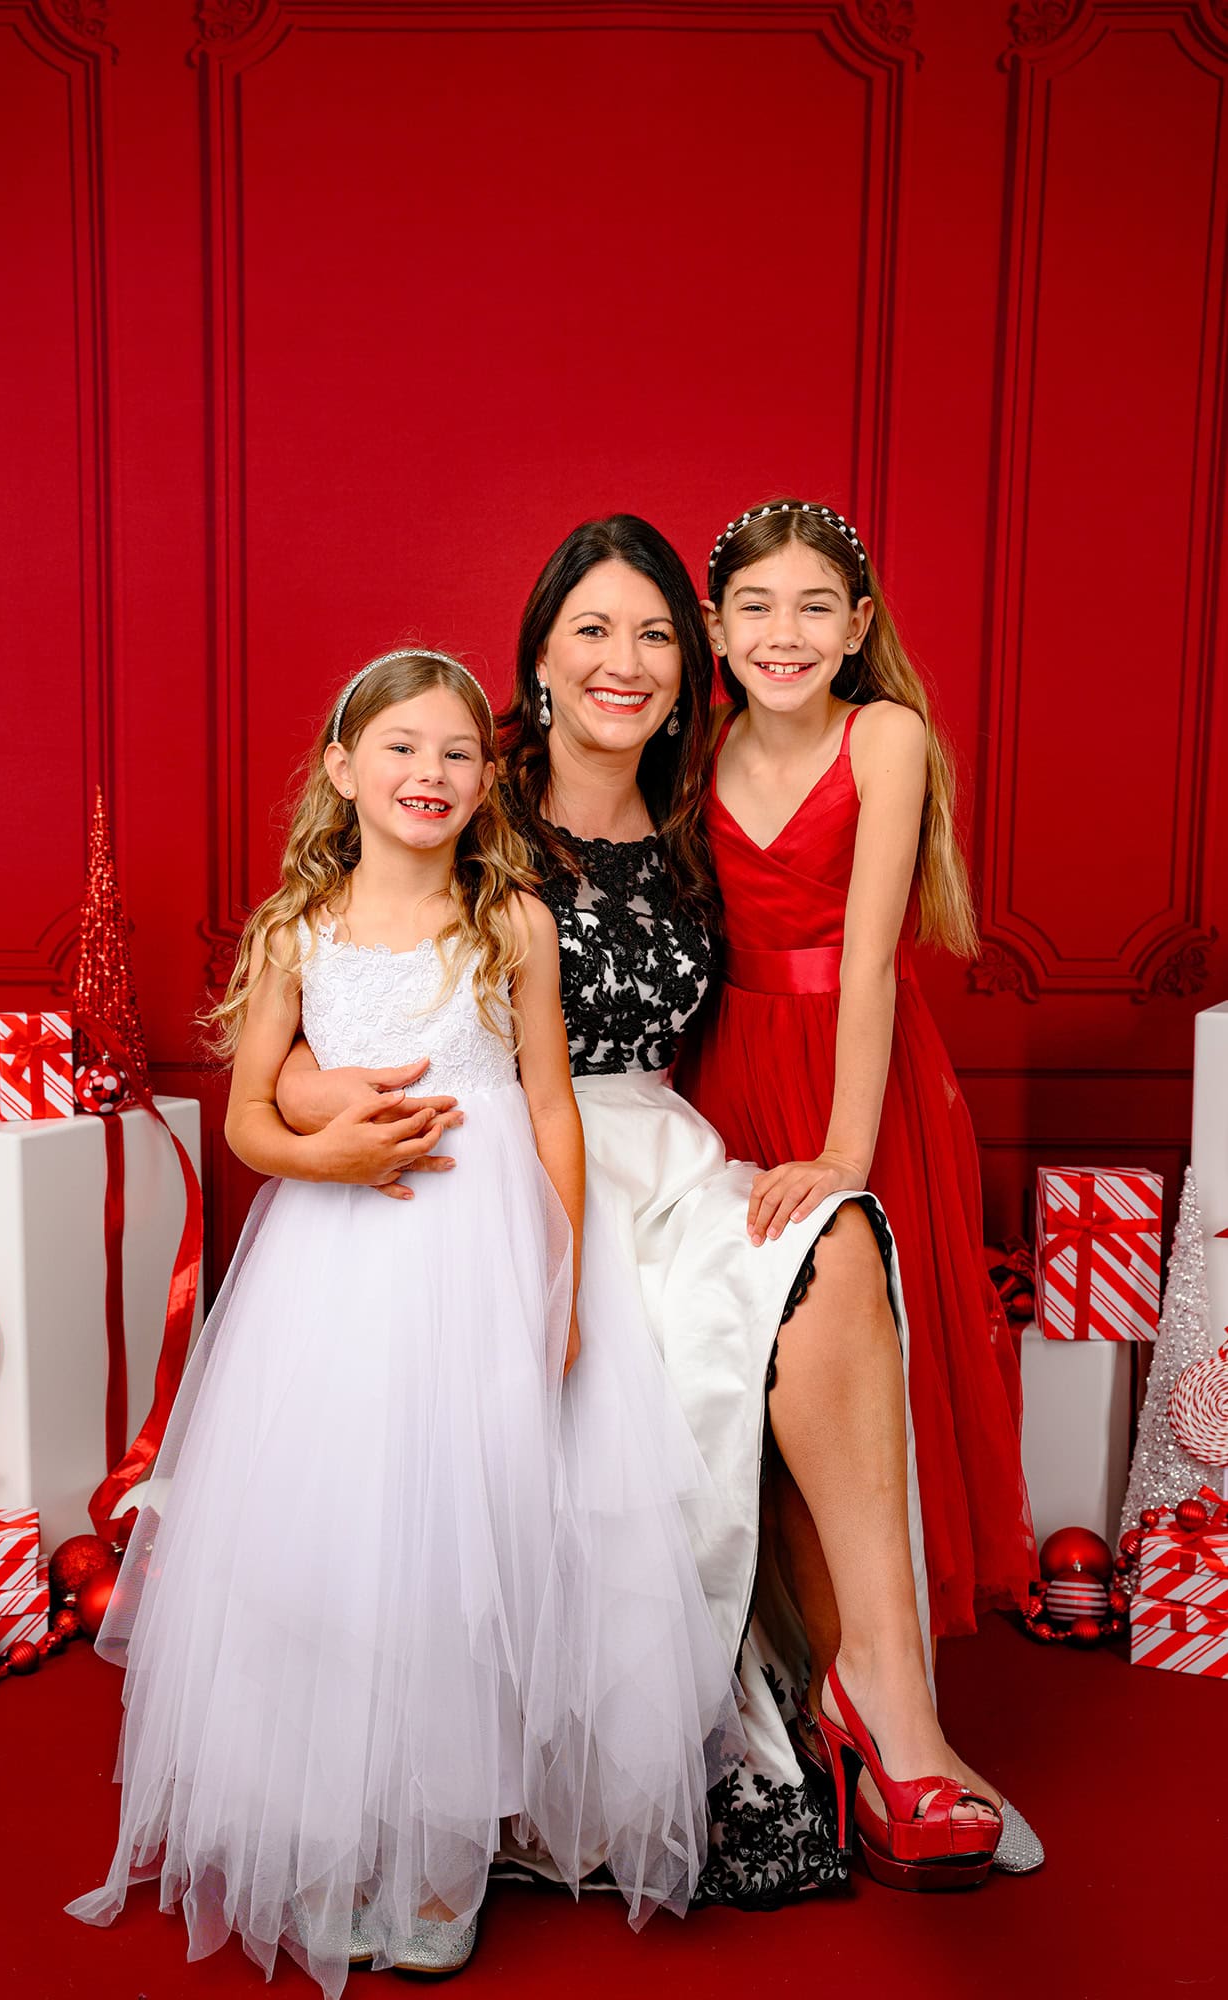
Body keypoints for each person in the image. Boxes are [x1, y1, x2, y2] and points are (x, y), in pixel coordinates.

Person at [279, 522, 1040, 1895]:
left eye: (650, 637)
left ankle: (888, 1703)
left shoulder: (699, 794)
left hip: (665, 1150)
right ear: (540, 660)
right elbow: (336, 975)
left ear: (690, 672)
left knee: (836, 1249)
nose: (621, 662)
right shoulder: (475, 791)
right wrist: (317, 1125)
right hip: (503, 1166)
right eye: (591, 632)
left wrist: (845, 1140)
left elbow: (840, 930)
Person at [67, 649, 740, 1994]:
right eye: (400, 749)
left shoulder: (515, 923)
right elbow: (254, 1115)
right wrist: (325, 1158)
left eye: (455, 754)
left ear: (487, 780)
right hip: (339, 1274)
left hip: (486, 1262)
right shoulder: (297, 932)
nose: (428, 774)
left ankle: (439, 1850)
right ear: (341, 770)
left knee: (469, 1541)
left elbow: (550, 1106)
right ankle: (328, 1827)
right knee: (340, 1540)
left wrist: (555, 1278)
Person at [676, 498, 1036, 1647]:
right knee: (742, 1349)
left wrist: (842, 1148)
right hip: (722, 1058)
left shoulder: (882, 736)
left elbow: (871, 959)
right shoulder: (693, 745)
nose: (785, 632)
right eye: (756, 606)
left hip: (852, 1062)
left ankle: (875, 1659)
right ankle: (771, 1652)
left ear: (856, 624)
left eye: (815, 607)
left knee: (865, 1335)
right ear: (714, 627)